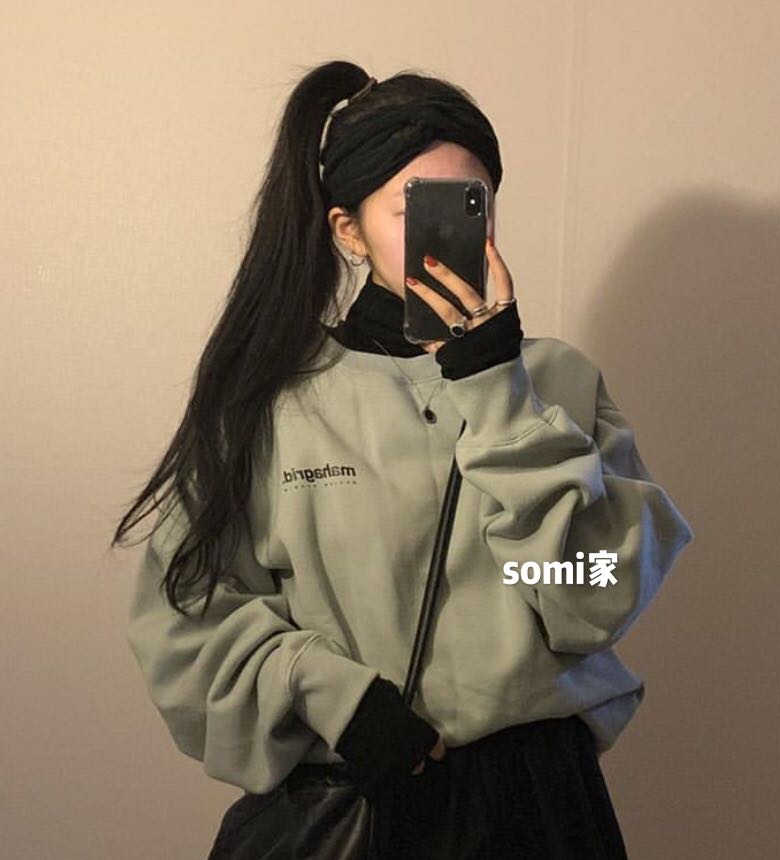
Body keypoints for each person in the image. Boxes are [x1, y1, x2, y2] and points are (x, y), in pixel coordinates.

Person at [112, 60, 694, 859]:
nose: (450, 235)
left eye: (471, 203)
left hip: (540, 809)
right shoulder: (271, 401)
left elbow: (589, 597)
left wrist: (496, 389)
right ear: (347, 229)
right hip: (361, 801)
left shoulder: (557, 380)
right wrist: (338, 700)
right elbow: (184, 612)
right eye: (414, 209)